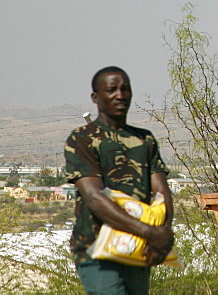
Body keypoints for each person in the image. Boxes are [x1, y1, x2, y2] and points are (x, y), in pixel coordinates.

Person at [64, 66, 174, 295]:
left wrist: (163, 234)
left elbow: (161, 192)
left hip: (138, 248)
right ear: (96, 97)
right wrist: (151, 232)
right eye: (112, 90)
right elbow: (94, 198)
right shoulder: (82, 139)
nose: (120, 95)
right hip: (96, 250)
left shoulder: (145, 139)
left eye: (125, 89)